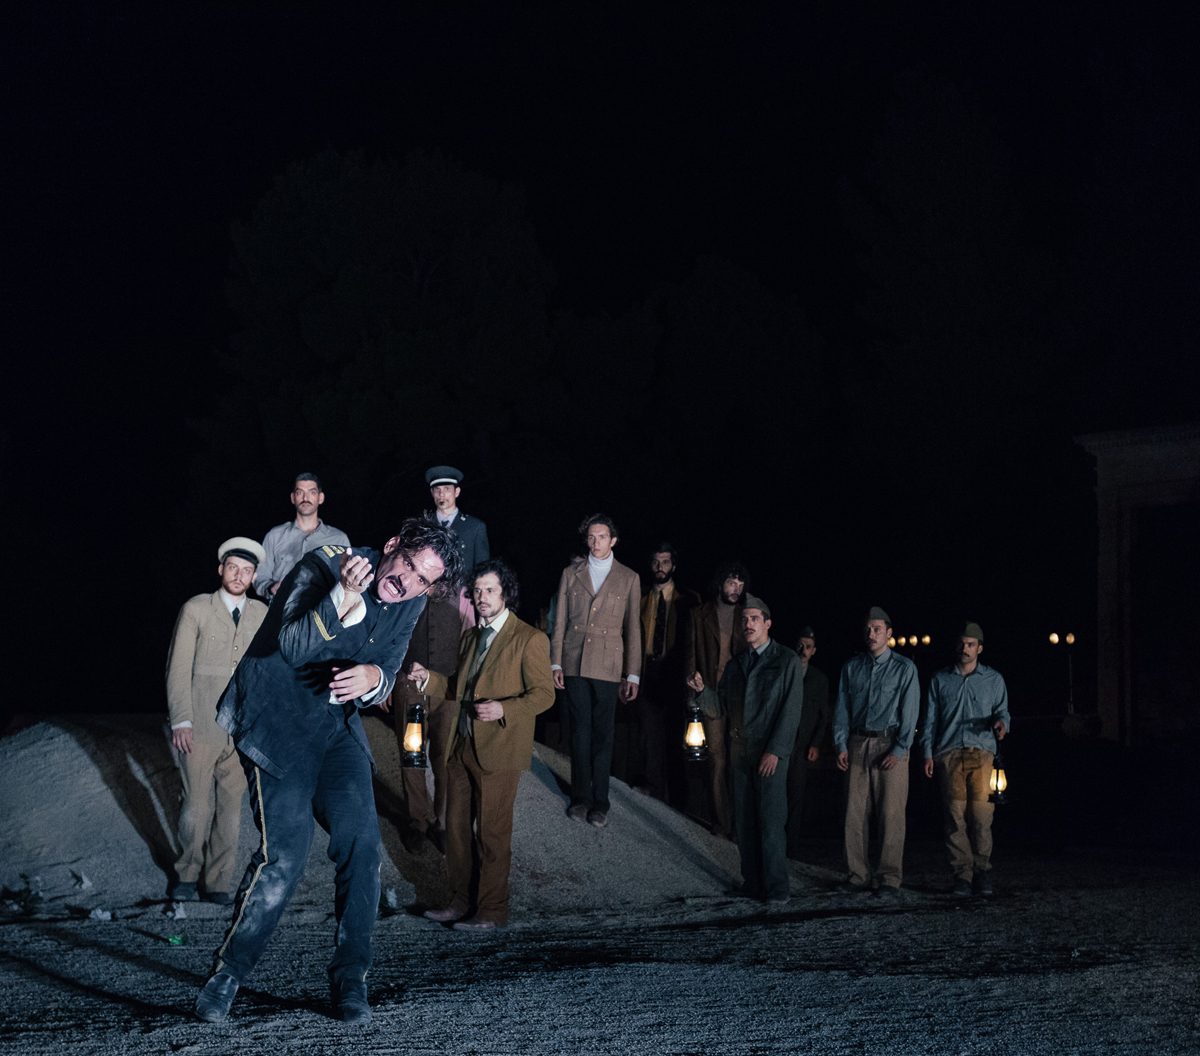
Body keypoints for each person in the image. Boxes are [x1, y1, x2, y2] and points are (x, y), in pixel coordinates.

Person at [193, 520, 461, 1025]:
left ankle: (350, 981)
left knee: (363, 847)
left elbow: (388, 668)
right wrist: (342, 595)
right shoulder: (324, 564)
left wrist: (374, 678)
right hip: (277, 721)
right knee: (285, 858)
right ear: (392, 547)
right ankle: (226, 975)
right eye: (407, 565)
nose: (406, 582)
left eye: (422, 579)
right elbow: (292, 646)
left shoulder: (413, 599)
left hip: (335, 727)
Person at [419, 560, 554, 929]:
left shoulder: (529, 638)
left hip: (499, 751)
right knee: (457, 831)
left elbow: (544, 695)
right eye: (477, 591)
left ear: (505, 593)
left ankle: (492, 910)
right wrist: (428, 678)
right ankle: (460, 901)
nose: (481, 597)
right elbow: (456, 688)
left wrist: (504, 708)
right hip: (461, 746)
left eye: (490, 590)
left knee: (492, 835)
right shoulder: (470, 638)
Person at [165, 537, 269, 903]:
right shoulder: (196, 609)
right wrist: (181, 720)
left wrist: (260, 723)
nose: (239, 576)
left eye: (247, 571)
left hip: (240, 730)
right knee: (195, 805)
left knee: (231, 808)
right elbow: (177, 668)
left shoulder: (261, 613)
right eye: (233, 568)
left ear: (253, 576)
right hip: (201, 725)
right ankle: (186, 874)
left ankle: (217, 881)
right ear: (221, 569)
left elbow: (264, 672)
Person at [687, 595, 804, 904]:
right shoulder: (737, 665)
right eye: (744, 620)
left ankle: (777, 887)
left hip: (769, 752)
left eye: (754, 619)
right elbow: (720, 708)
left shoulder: (786, 661)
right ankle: (752, 882)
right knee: (745, 821)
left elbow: (791, 711)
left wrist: (775, 751)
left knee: (770, 822)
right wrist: (701, 691)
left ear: (768, 623)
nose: (748, 624)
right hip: (741, 752)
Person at [550, 513, 642, 829]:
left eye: (602, 536)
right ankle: (580, 798)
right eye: (591, 537)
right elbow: (560, 621)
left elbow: (633, 628)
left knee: (603, 735)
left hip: (608, 665)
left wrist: (632, 674)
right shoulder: (570, 573)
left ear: (613, 540)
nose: (595, 542)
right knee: (580, 732)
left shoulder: (628, 577)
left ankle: (600, 801)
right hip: (575, 661)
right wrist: (556, 661)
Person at [832, 606, 920, 898]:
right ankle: (857, 874)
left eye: (877, 629)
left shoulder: (904, 668)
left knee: (891, 814)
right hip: (858, 742)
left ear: (889, 633)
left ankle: (889, 878)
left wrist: (900, 748)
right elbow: (842, 709)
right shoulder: (852, 668)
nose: (871, 634)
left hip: (888, 742)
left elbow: (910, 712)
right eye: (868, 629)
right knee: (853, 813)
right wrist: (841, 744)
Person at [921, 622, 1010, 897]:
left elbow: (1003, 711)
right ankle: (962, 874)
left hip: (981, 754)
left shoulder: (993, 680)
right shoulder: (940, 680)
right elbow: (930, 720)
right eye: (962, 643)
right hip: (949, 754)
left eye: (971, 644)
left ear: (979, 648)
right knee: (954, 817)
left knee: (981, 817)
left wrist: (1002, 724)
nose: (965, 648)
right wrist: (927, 752)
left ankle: (982, 871)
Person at [381, 594, 463, 854]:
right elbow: (387, 633)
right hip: (410, 686)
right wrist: (387, 681)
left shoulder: (463, 592)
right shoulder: (407, 588)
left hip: (448, 688)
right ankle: (418, 821)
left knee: (445, 757)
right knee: (413, 753)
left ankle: (443, 823)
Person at [686, 563, 750, 838]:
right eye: (731, 583)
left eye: (740, 584)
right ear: (720, 583)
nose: (736, 589)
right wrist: (693, 694)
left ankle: (739, 824)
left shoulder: (748, 616)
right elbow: (690, 656)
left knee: (737, 760)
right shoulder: (700, 614)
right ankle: (721, 823)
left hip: (738, 697)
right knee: (716, 759)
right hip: (710, 693)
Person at [634, 543, 700, 802]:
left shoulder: (689, 599)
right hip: (647, 670)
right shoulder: (640, 596)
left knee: (675, 734)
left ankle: (678, 798)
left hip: (675, 672)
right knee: (648, 734)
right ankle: (652, 792)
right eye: (656, 562)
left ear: (673, 565)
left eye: (665, 562)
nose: (660, 567)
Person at [256, 472, 351, 600]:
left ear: (320, 498)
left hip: (323, 608)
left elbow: (347, 579)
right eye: (299, 492)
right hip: (281, 608)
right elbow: (260, 576)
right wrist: (271, 587)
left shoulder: (339, 539)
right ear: (292, 498)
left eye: (312, 492)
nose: (305, 498)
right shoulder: (274, 536)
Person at [785, 626, 831, 858]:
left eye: (808, 647)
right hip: (782, 742)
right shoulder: (785, 672)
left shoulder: (819, 679)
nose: (804, 651)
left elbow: (824, 715)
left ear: (814, 651)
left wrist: (816, 743)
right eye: (800, 646)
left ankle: (791, 847)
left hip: (802, 744)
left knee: (796, 795)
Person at [424, 464, 490, 574]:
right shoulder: (423, 525)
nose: (441, 494)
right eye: (437, 489)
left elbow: (483, 571)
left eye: (447, 489)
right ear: (432, 493)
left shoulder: (475, 527)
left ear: (457, 492)